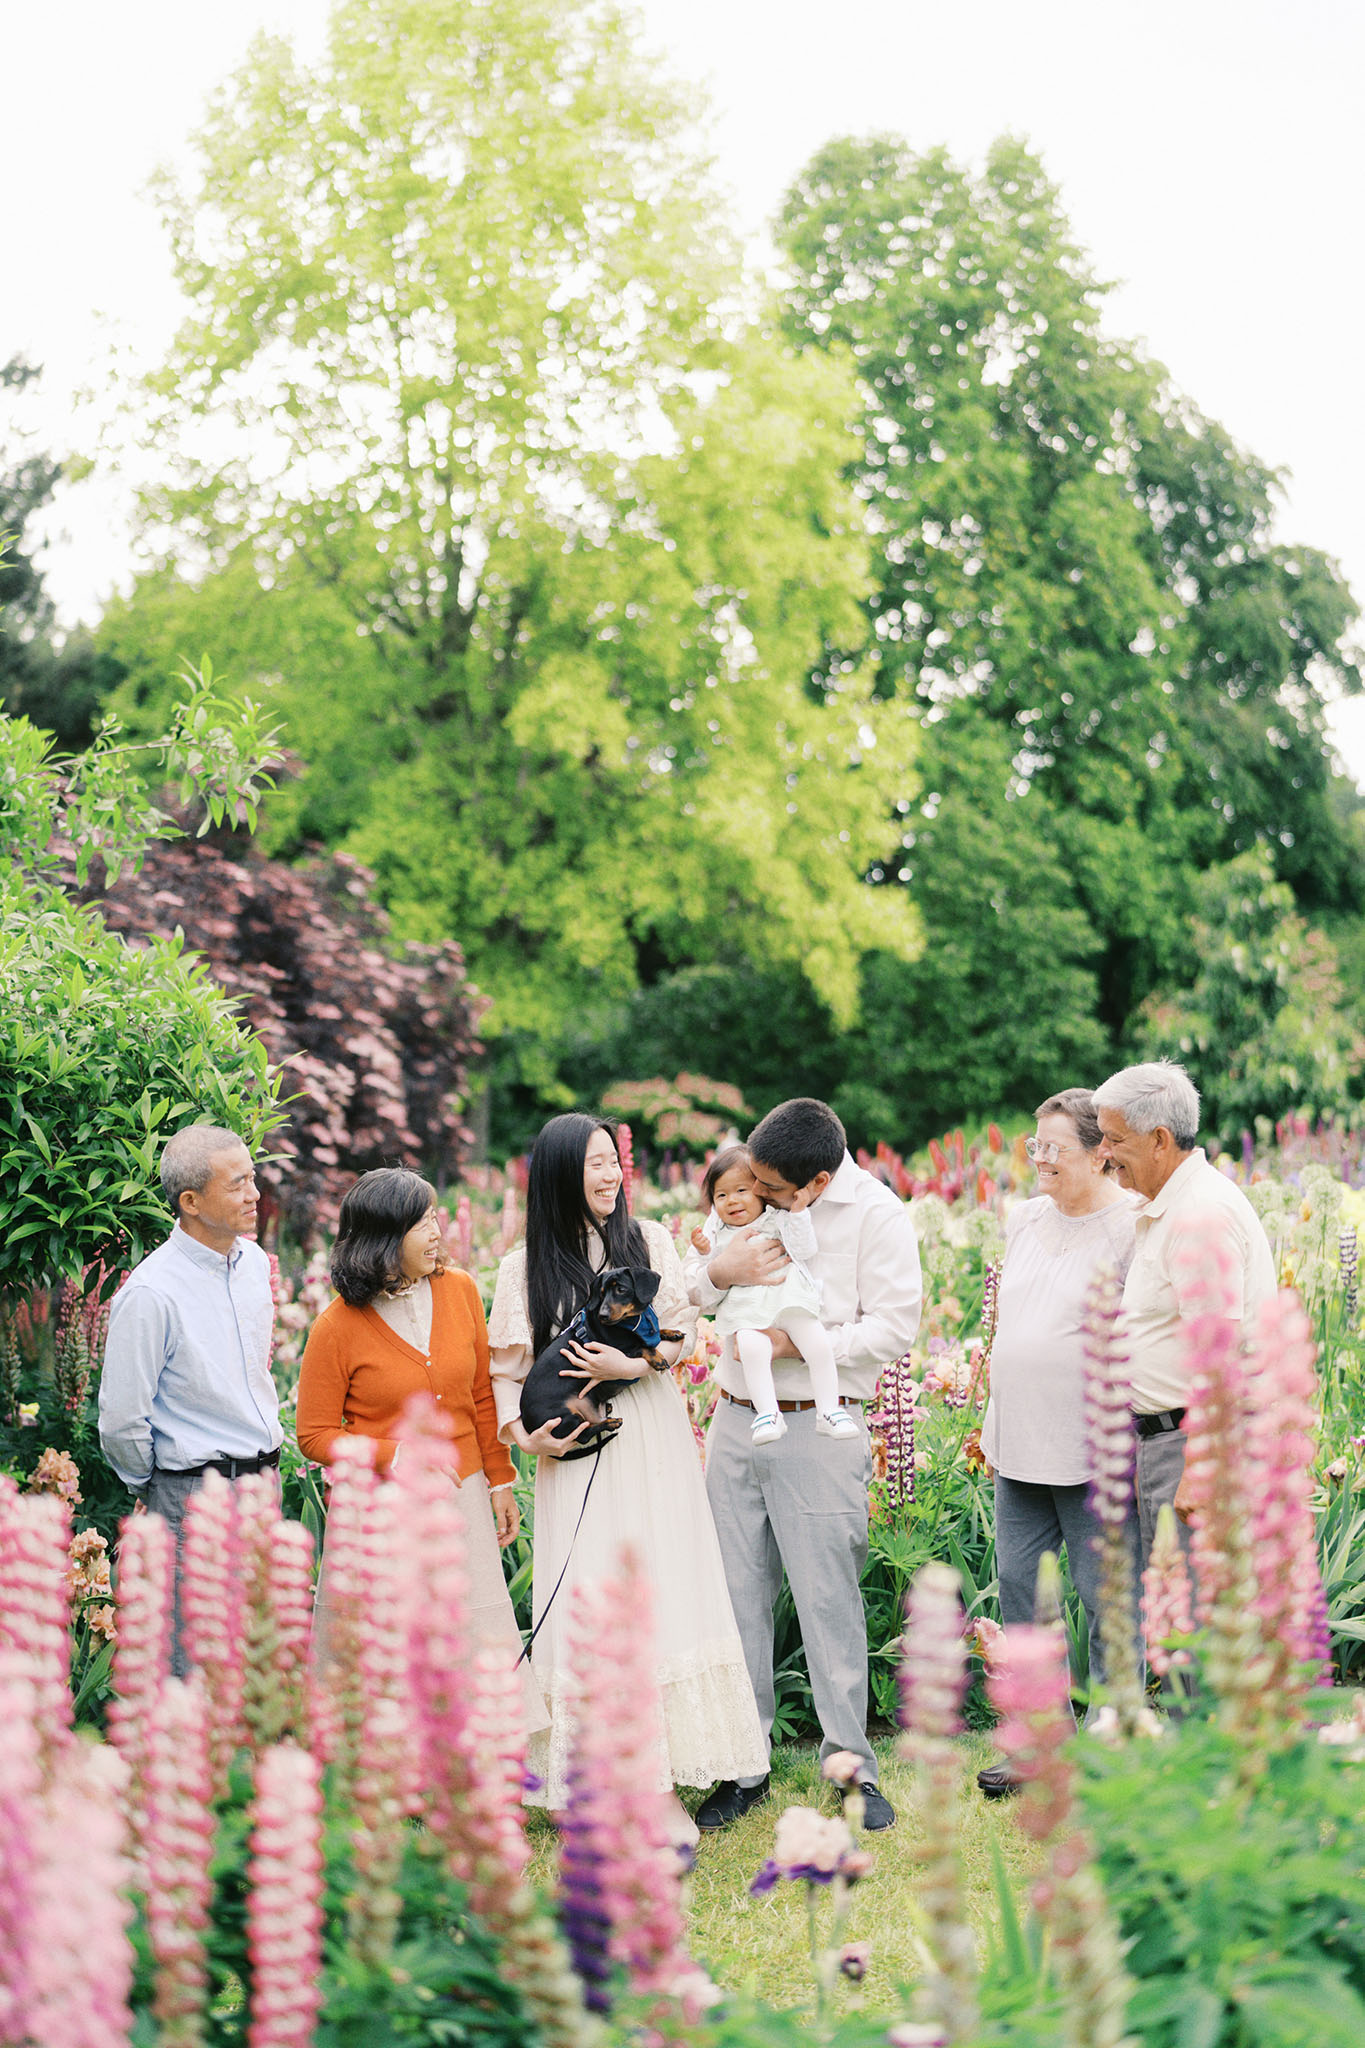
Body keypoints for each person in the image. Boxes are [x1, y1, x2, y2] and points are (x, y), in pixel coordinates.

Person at [487, 1114, 766, 1842]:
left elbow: (681, 1332)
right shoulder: (522, 1266)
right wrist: (530, 1440)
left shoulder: (652, 1243)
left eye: (613, 1162)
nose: (610, 1176)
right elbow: (503, 1377)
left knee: (659, 1592)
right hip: (575, 1459)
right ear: (557, 1176)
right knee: (591, 1599)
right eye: (593, 1165)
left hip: (649, 1434)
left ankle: (658, 1786)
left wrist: (630, 1364)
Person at [686, 1098, 923, 1833]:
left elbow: (893, 1327)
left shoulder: (877, 1217)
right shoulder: (752, 1194)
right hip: (733, 1418)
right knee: (735, 1595)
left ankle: (850, 1764)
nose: (755, 1197)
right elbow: (692, 1292)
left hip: (819, 1428)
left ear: (814, 1184)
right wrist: (719, 1273)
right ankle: (743, 1761)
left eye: (772, 1190)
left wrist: (796, 1345)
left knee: (826, 1600)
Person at [296, 1168, 546, 1736]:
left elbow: (483, 1394)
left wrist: (501, 1480)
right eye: (423, 1221)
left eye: (436, 1217)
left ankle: (480, 1754)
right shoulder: (335, 1327)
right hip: (380, 1512)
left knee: (472, 1627)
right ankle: (386, 1764)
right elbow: (312, 1434)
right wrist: (396, 1455)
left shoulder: (458, 1290)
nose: (438, 1232)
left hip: (462, 1495)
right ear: (385, 1237)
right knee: (387, 1637)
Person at [975, 1089, 1140, 1796]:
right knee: (1018, 1585)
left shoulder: (1131, 1227)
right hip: (1016, 1441)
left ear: (1100, 1149)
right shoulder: (1024, 1219)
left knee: (1101, 1594)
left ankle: (1113, 1736)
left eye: (1053, 1147)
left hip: (1089, 1445)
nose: (1037, 1159)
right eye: (1032, 1145)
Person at [99, 1124, 282, 1673]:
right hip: (192, 1500)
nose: (255, 1194)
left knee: (258, 1667)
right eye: (238, 1184)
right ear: (191, 1202)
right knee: (191, 1669)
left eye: (253, 1178)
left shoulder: (252, 1264)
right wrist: (154, 1487)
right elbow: (121, 1421)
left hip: (263, 1490)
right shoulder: (151, 1293)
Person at [1092, 1060, 1276, 1567]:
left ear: (1158, 1139)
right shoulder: (1171, 1205)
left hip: (1190, 1448)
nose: (1104, 1153)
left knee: (1191, 1629)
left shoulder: (1199, 1216)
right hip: (1169, 1444)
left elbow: (1220, 1354)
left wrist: (1199, 1467)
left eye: (1113, 1139)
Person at [690, 1145, 859, 1448]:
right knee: (752, 1349)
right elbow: (701, 1275)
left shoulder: (776, 1219)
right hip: (748, 1311)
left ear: (760, 1191)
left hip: (789, 1301)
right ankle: (768, 1413)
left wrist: (798, 1214)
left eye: (741, 1190)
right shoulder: (717, 1231)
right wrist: (706, 1252)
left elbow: (805, 1249)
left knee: (818, 1344)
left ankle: (829, 1409)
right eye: (722, 1195)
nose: (733, 1201)